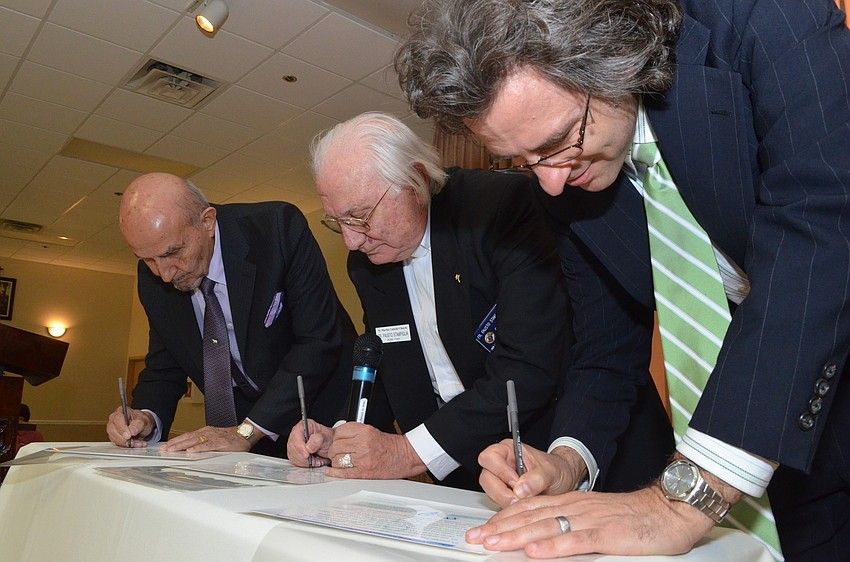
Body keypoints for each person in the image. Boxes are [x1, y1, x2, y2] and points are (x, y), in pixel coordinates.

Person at [395, 0, 850, 559]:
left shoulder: (762, 16)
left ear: (611, 60)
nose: (551, 183)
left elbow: (822, 228)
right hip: (768, 440)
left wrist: (683, 500)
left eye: (557, 141)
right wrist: (567, 461)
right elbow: (607, 342)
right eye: (521, 161)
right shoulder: (565, 178)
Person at [285, 112, 672, 491]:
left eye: (360, 216)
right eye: (338, 222)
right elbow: (391, 369)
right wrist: (340, 438)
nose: (351, 241)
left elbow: (527, 367)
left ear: (416, 181)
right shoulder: (367, 264)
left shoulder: (501, 209)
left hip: (589, 450)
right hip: (479, 475)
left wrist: (408, 451)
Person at [105, 173, 355, 456]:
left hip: (329, 419)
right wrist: (145, 419)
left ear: (207, 222)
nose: (164, 274)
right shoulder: (151, 281)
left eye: (173, 252)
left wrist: (247, 431)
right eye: (148, 259)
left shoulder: (277, 230)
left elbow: (317, 342)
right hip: (245, 441)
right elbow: (164, 367)